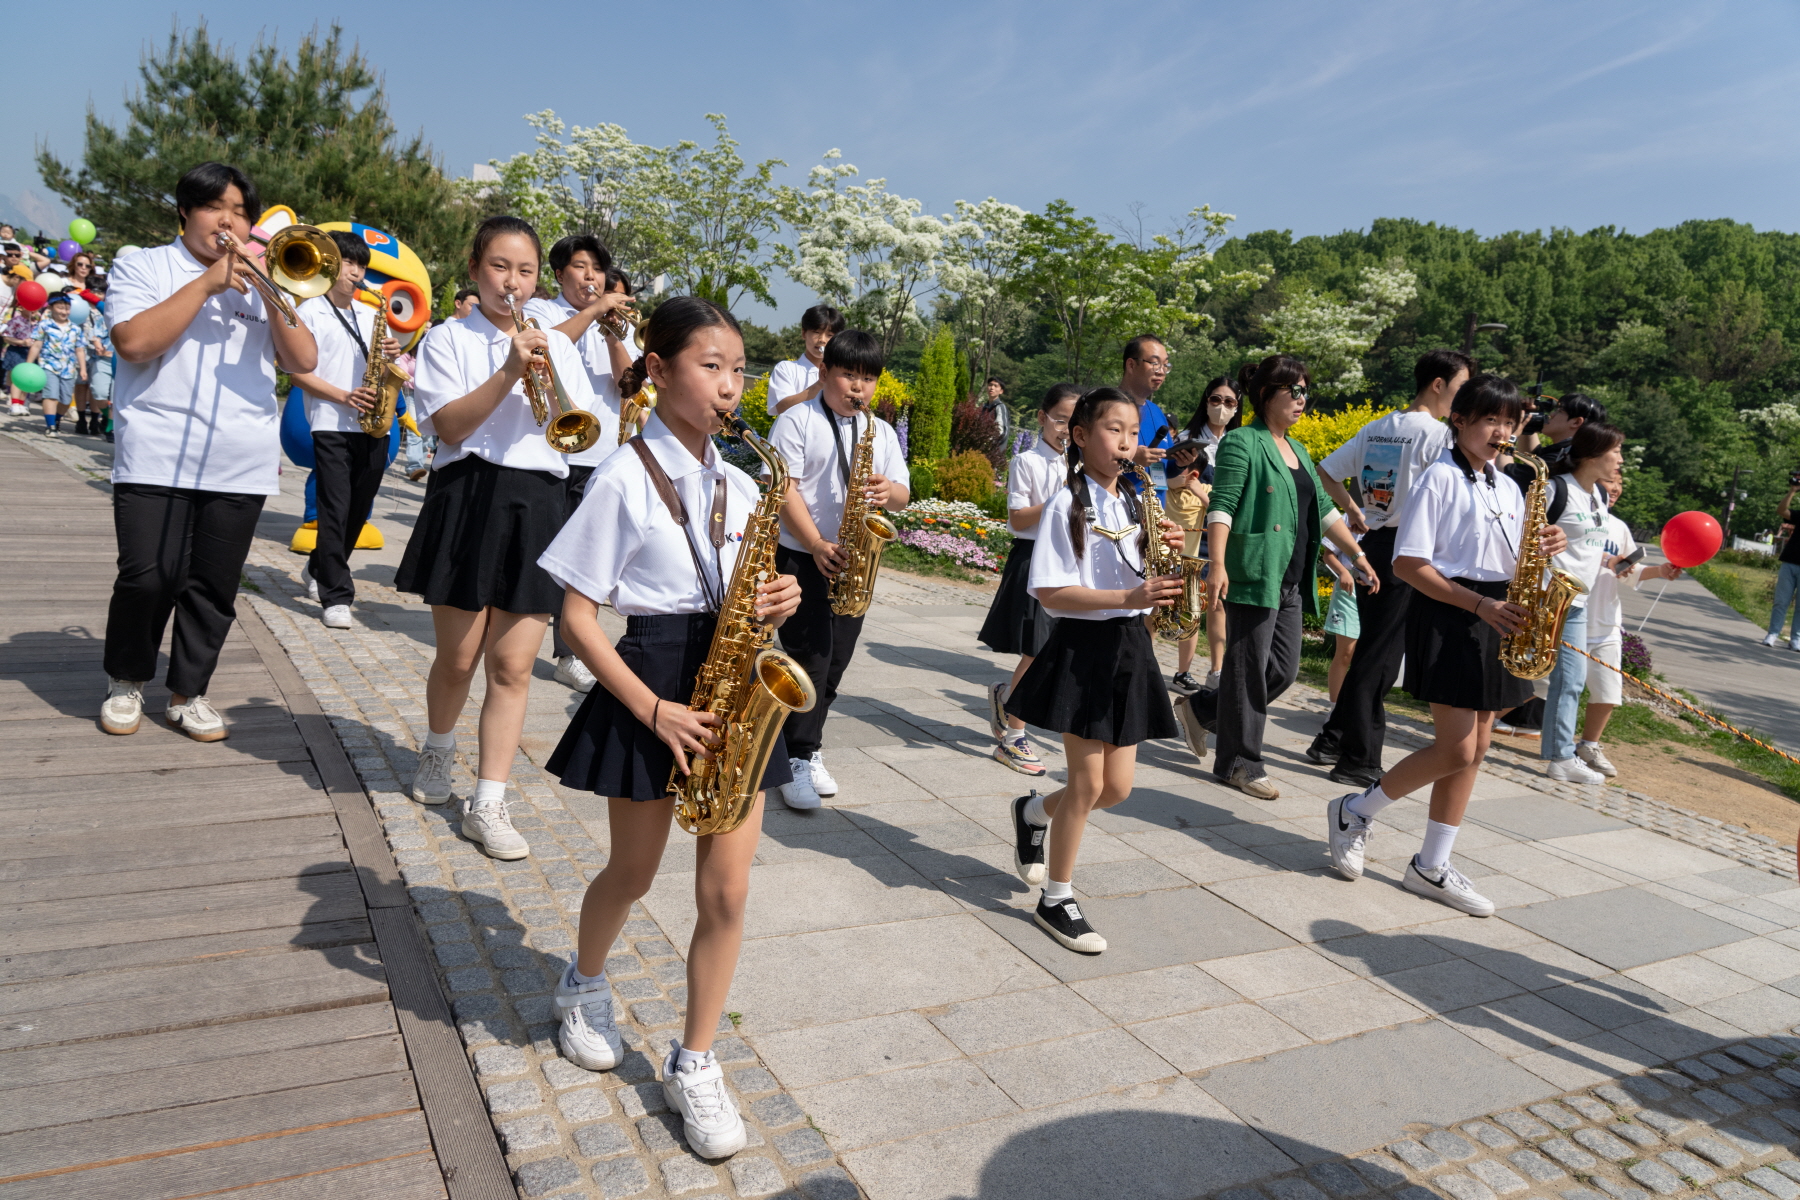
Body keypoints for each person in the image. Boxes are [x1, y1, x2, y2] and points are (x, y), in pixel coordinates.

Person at [538, 296, 801, 1160]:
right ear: (658, 371)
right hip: (650, 684)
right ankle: (583, 984)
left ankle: (697, 1060)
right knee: (635, 872)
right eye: (711, 366)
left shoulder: (743, 482)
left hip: (731, 691)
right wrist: (650, 709)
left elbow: (744, 607)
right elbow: (575, 618)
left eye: (739, 369)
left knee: (726, 893)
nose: (731, 386)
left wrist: (773, 605)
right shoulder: (621, 475)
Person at [1325, 374, 1568, 917]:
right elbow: (1408, 564)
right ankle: (1355, 808)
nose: (1502, 432)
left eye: (1511, 422)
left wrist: (1550, 542)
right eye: (1491, 420)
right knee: (1457, 748)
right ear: (1459, 420)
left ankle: (1432, 864)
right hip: (1454, 612)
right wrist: (1479, 606)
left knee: (1477, 748)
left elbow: (1517, 558)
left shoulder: (1508, 485)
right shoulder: (1437, 478)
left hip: (1497, 612)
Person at [397, 215, 598, 861]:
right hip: (469, 495)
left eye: (525, 270)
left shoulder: (556, 343)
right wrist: (509, 371)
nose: (512, 282)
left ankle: (489, 800)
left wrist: (537, 362)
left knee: (512, 667)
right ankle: (437, 749)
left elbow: (580, 425)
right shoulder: (448, 339)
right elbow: (449, 428)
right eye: (499, 267)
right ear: (475, 268)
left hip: (537, 499)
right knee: (458, 660)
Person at [98, 161, 320, 742]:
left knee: (213, 586)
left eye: (241, 212)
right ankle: (127, 680)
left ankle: (187, 693)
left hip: (240, 458)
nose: (229, 221)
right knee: (148, 576)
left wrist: (275, 291)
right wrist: (206, 284)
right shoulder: (142, 263)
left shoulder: (264, 275)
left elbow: (303, 361)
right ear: (184, 211)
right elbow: (134, 343)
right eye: (214, 208)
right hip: (156, 449)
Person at [1004, 387, 1185, 954]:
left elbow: (1138, 574)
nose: (1126, 442)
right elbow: (1053, 591)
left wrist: (1167, 550)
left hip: (1130, 645)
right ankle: (1057, 898)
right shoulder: (1067, 504)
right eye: (1113, 429)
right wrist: (1129, 592)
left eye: (1133, 432)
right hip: (1082, 647)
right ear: (1081, 437)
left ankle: (1033, 811)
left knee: (1117, 789)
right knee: (1086, 783)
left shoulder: (1135, 502)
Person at [1186, 355, 1375, 798]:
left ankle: (1202, 710)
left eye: (1307, 391)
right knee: (1248, 670)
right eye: (1296, 391)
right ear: (1268, 394)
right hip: (1253, 571)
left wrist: (1357, 555)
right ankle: (1239, 762)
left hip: (1290, 578)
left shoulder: (1299, 450)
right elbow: (1223, 505)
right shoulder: (1243, 442)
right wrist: (1217, 564)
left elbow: (1324, 511)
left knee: (1283, 671)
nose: (1303, 400)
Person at [1305, 349, 1473, 787]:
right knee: (1378, 657)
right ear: (1438, 384)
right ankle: (1358, 759)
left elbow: (1326, 471)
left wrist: (1354, 509)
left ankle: (1332, 739)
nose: (1462, 398)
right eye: (1460, 388)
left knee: (1373, 649)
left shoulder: (1379, 426)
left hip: (1375, 544)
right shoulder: (1437, 436)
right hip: (1407, 552)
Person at [769, 328, 910, 807]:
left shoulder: (880, 431)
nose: (858, 388)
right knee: (810, 656)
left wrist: (886, 490)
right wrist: (814, 543)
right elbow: (783, 486)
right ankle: (798, 754)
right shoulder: (798, 420)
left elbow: (904, 495)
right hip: (800, 554)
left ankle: (804, 746)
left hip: (853, 561)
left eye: (868, 379)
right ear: (824, 372)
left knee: (836, 664)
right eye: (848, 375)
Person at [527, 234, 633, 692]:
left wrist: (613, 333)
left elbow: (629, 385)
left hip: (604, 455)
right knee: (556, 556)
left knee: (588, 561)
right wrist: (592, 314)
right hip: (557, 451)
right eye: (580, 267)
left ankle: (571, 648)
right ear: (558, 274)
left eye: (597, 269)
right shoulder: (546, 312)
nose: (591, 277)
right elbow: (548, 347)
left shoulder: (611, 323)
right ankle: (564, 650)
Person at [288, 231, 406, 630]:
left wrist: (395, 354)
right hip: (330, 422)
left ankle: (319, 566)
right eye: (348, 263)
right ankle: (336, 596)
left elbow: (392, 367)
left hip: (372, 424)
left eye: (361, 265)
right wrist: (342, 395)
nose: (356, 272)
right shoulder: (309, 312)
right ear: (328, 266)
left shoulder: (372, 314)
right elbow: (297, 373)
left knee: (359, 509)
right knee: (335, 508)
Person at [980, 382, 1079, 776]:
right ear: (1042, 417)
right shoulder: (1027, 462)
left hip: (1070, 562)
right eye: (1060, 420)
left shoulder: (1080, 465)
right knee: (1037, 649)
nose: (1066, 430)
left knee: (1053, 648)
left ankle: (1007, 698)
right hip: (1035, 558)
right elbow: (1018, 519)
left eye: (1075, 423)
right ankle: (1013, 737)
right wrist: (1059, 500)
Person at [1536, 422, 1627, 784]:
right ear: (1592, 454)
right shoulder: (1556, 490)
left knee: (1569, 679)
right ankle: (1558, 754)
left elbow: (1588, 549)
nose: (1620, 460)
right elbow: (1520, 538)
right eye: (1616, 451)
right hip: (1546, 597)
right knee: (1527, 671)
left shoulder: (1599, 496)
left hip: (1577, 602)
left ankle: (1559, 757)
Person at [1576, 475, 1681, 776]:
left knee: (1608, 692)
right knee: (1540, 685)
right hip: (1571, 619)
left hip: (1607, 624)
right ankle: (1484, 722)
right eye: (1608, 480)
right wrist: (1603, 559)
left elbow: (1630, 571)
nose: (1615, 488)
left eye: (1620, 483)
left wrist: (1660, 571)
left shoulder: (1619, 528)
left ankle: (1588, 746)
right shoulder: (1575, 517)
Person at [1169, 376, 1242, 690]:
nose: (1221, 407)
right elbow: (1172, 482)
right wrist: (1202, 492)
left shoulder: (1239, 443)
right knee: (1184, 600)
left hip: (1222, 533)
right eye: (1216, 399)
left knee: (1217, 601)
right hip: (1191, 530)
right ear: (1205, 400)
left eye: (1229, 402)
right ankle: (1182, 670)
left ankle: (1216, 669)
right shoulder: (1188, 438)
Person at [766, 304, 845, 417]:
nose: (822, 339)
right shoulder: (786, 368)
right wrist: (820, 383)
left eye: (830, 335)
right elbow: (781, 408)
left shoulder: (841, 374)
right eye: (816, 332)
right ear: (804, 333)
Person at [1119, 334, 1173, 495]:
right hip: (1118, 513)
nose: (1161, 371)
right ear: (1131, 365)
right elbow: (1087, 456)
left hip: (1156, 515)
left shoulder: (1156, 411)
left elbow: (1165, 469)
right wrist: (1132, 456)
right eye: (1155, 363)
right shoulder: (1105, 406)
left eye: (1165, 365)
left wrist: (1181, 462)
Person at [26, 291, 84, 434]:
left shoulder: (75, 328)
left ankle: (57, 418)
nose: (64, 311)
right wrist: (28, 364)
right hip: (49, 365)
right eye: (60, 308)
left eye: (67, 308)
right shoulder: (44, 325)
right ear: (51, 308)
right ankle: (50, 425)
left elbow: (80, 350)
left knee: (65, 400)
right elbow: (36, 345)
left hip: (69, 369)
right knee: (51, 395)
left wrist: (83, 369)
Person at [1513, 392, 1606, 473]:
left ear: (1576, 422)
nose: (1551, 415)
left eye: (1560, 411)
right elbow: (1532, 455)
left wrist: (1508, 439)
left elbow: (1509, 472)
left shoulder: (1562, 458)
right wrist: (1529, 416)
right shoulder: (1573, 452)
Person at [1321, 546, 1360, 701]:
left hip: (1381, 587)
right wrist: (1343, 572)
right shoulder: (1345, 520)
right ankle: (1334, 707)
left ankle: (1358, 706)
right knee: (1346, 652)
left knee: (1369, 655)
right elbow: (1328, 555)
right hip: (1349, 588)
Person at [1765, 479, 1800, 650]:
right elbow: (1781, 511)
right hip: (1790, 563)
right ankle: (1773, 633)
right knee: (1781, 601)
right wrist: (1793, 491)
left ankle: (1796, 639)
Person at [82, 274, 113, 437]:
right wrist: (98, 345)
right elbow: (97, 334)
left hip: (123, 362)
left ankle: (111, 428)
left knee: (116, 398)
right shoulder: (108, 311)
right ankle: (109, 418)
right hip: (103, 359)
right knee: (99, 393)